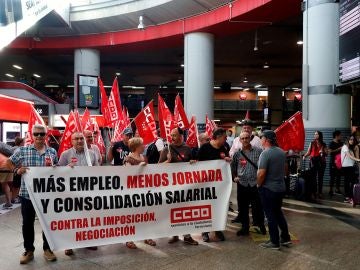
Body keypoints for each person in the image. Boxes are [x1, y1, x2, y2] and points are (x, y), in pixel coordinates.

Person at [7, 124, 58, 264]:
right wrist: (16, 170)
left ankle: (48, 249)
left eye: (42, 134)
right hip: (27, 195)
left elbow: (57, 169)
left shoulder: (52, 151)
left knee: (47, 223)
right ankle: (29, 250)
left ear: (46, 135)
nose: (39, 137)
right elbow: (8, 162)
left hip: (47, 195)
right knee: (27, 223)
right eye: (37, 134)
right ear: (32, 134)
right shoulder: (23, 150)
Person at [58, 131, 99, 256]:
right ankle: (69, 244)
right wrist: (66, 168)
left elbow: (98, 170)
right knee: (72, 219)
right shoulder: (66, 154)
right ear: (72, 141)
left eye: (82, 138)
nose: (80, 141)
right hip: (72, 194)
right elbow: (57, 171)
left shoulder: (92, 154)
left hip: (88, 193)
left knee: (88, 219)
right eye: (77, 139)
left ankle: (88, 242)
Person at [159, 127, 199, 245]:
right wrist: (167, 161)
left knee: (185, 211)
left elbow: (192, 164)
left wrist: (193, 162)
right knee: (173, 211)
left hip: (185, 186)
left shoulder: (187, 149)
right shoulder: (167, 149)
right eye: (171, 135)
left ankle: (187, 236)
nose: (172, 138)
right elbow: (158, 166)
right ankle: (175, 234)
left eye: (175, 135)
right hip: (171, 186)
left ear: (181, 136)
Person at [257, 130, 291, 250]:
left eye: (261, 138)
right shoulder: (282, 152)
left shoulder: (265, 154)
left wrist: (258, 185)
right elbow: (286, 170)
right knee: (278, 212)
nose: (260, 140)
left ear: (266, 139)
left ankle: (274, 241)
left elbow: (261, 173)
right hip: (280, 188)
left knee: (270, 215)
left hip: (268, 189)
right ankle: (285, 237)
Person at [197, 127, 231, 242]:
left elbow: (227, 161)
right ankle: (205, 231)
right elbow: (197, 163)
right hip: (206, 185)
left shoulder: (224, 147)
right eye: (224, 137)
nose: (226, 139)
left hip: (219, 186)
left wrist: (227, 160)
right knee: (206, 207)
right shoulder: (204, 147)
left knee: (218, 207)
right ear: (217, 137)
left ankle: (217, 229)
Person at [230, 131, 266, 236]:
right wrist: (235, 177)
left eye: (247, 138)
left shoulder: (259, 151)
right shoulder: (237, 154)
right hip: (242, 184)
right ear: (240, 140)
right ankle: (245, 228)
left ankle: (261, 225)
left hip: (255, 184)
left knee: (258, 207)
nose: (245, 140)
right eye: (243, 138)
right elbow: (233, 167)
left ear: (250, 138)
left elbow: (263, 167)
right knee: (243, 207)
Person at [124, 137, 157, 248]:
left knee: (145, 215)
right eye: (142, 144)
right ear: (136, 146)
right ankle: (129, 239)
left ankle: (147, 236)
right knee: (131, 216)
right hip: (132, 192)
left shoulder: (144, 157)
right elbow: (127, 176)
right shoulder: (128, 159)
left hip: (144, 191)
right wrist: (138, 167)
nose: (144, 146)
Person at [303, 131, 327, 199]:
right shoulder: (312, 143)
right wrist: (304, 156)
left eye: (316, 134)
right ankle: (314, 192)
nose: (315, 135)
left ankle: (320, 193)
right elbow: (308, 152)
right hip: (313, 161)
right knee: (313, 178)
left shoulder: (323, 144)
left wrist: (323, 152)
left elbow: (326, 153)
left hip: (321, 162)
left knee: (320, 178)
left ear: (320, 135)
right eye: (314, 134)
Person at [341, 136, 360, 204]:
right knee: (347, 182)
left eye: (353, 139)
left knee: (352, 182)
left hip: (351, 167)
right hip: (346, 167)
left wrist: (357, 163)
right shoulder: (345, 147)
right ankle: (347, 198)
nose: (352, 141)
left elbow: (354, 156)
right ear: (348, 140)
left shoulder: (351, 148)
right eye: (350, 139)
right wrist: (358, 159)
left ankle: (350, 196)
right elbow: (349, 156)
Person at [328, 131, 343, 196]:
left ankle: (337, 189)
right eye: (340, 135)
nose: (341, 136)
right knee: (332, 176)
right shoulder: (331, 143)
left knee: (339, 176)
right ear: (336, 136)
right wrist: (339, 149)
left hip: (340, 162)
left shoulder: (341, 143)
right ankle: (330, 190)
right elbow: (330, 152)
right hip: (333, 162)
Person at [11, 136, 24, 204]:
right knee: (17, 185)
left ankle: (14, 198)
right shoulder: (19, 150)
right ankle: (14, 198)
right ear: (21, 143)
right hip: (18, 169)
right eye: (23, 142)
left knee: (14, 185)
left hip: (13, 169)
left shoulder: (12, 148)